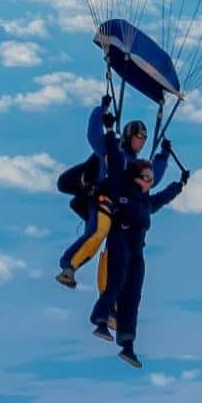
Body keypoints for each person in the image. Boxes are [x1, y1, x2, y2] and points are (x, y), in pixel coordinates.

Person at [55, 94, 171, 289]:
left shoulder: (137, 165)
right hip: (101, 201)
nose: (141, 141)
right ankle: (68, 268)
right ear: (129, 135)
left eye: (144, 138)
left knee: (114, 254)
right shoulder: (113, 148)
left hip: (120, 211)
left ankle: (109, 304)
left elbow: (153, 178)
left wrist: (164, 156)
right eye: (138, 136)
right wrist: (102, 110)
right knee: (97, 233)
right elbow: (93, 134)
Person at [89, 156, 188, 368]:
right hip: (120, 241)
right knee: (115, 284)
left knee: (132, 296)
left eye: (151, 179)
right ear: (135, 177)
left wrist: (179, 185)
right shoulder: (122, 192)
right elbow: (114, 168)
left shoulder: (146, 201)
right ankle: (101, 320)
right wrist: (109, 132)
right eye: (146, 177)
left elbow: (162, 198)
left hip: (136, 250)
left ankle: (127, 345)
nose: (149, 182)